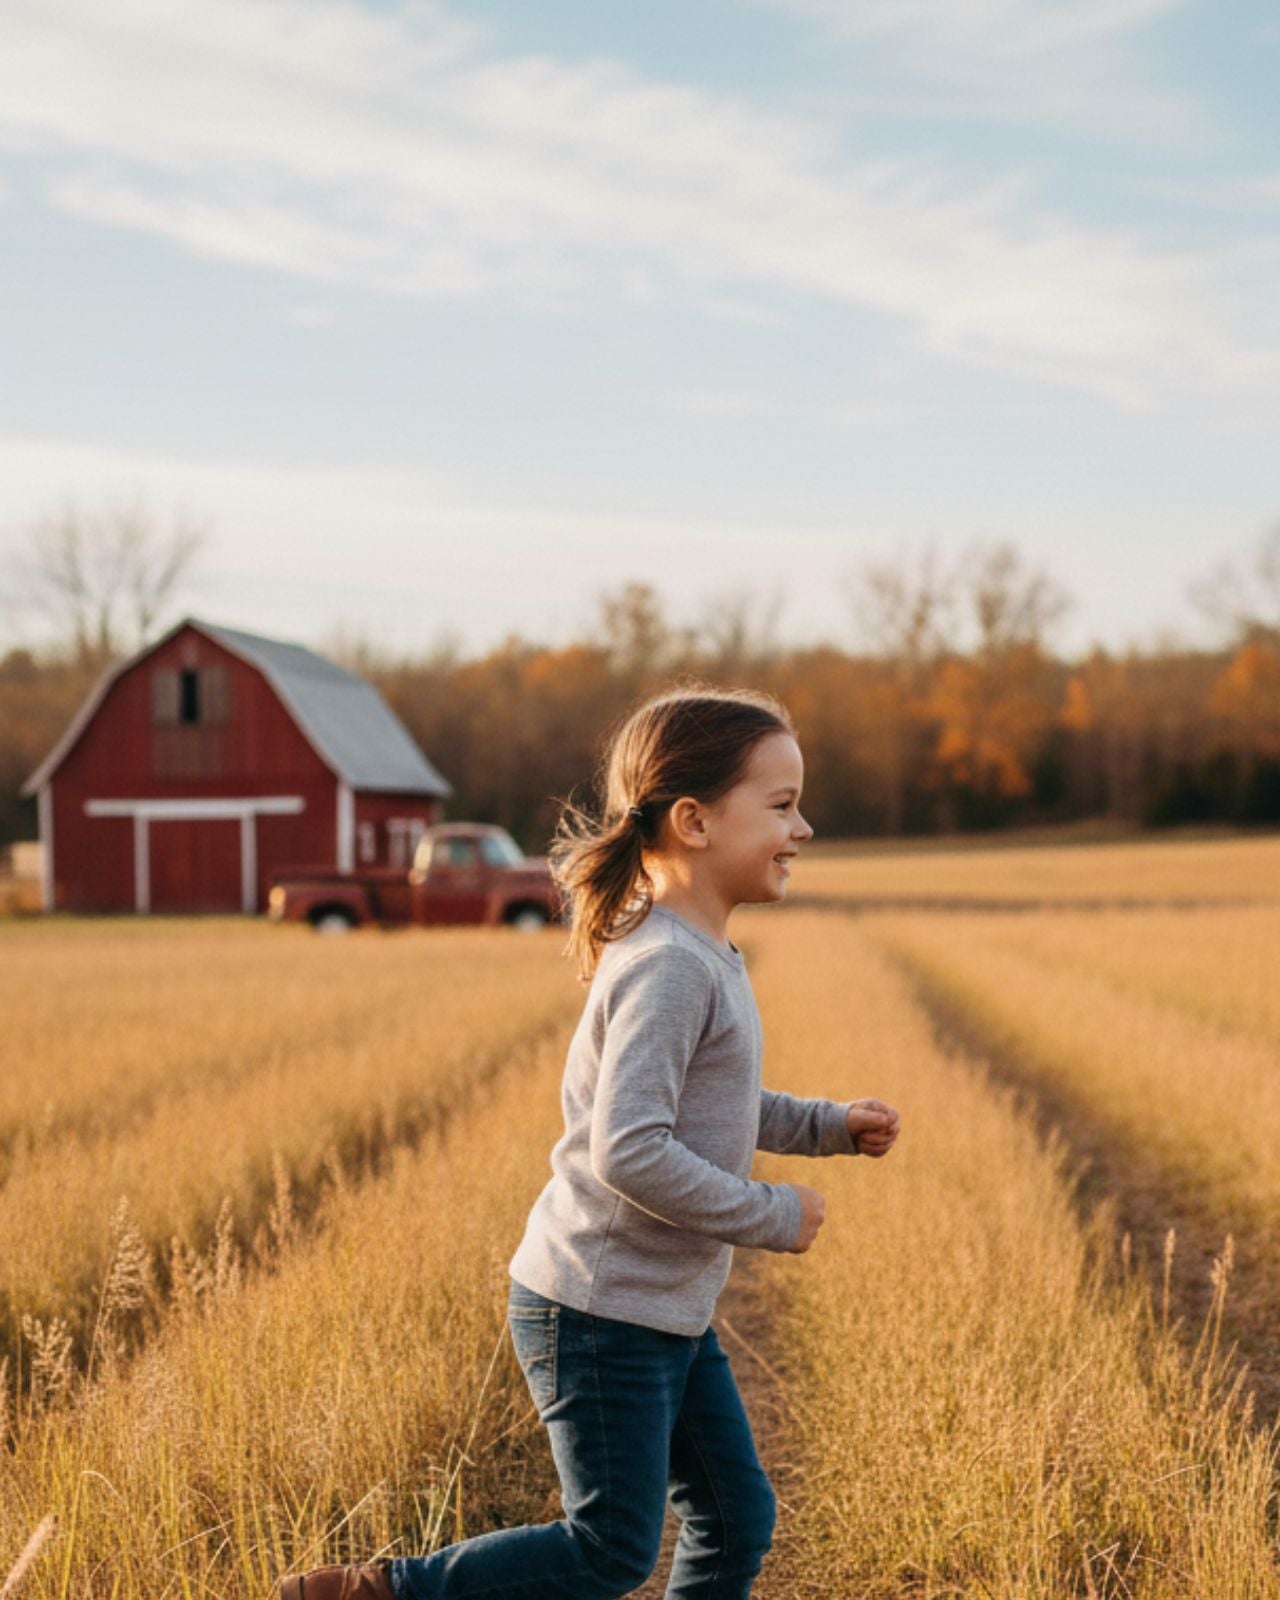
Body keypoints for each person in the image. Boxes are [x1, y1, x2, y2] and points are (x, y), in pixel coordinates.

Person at [273, 684, 901, 1600]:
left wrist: (827, 1126)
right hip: (601, 1312)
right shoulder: (669, 967)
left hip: (663, 1308)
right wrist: (770, 1211)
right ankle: (381, 1595)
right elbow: (632, 1150)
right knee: (608, 1548)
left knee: (735, 1522)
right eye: (781, 805)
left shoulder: (697, 951)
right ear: (693, 820)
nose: (803, 827)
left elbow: (711, 1105)